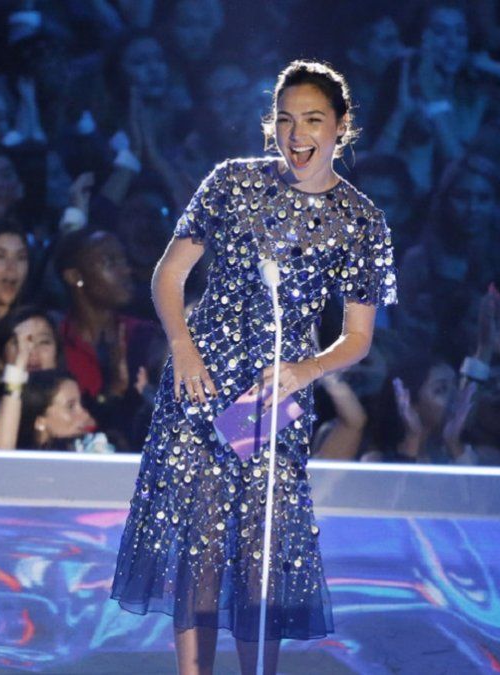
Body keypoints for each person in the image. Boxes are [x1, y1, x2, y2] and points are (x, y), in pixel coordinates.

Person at [109, 60, 397, 675]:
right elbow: (169, 275)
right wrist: (183, 349)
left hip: (274, 396)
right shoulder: (231, 183)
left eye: (313, 120)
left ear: (341, 128)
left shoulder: (360, 220)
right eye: (286, 120)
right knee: (203, 546)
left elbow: (358, 338)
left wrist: (305, 369)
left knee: (259, 551)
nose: (297, 134)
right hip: (200, 382)